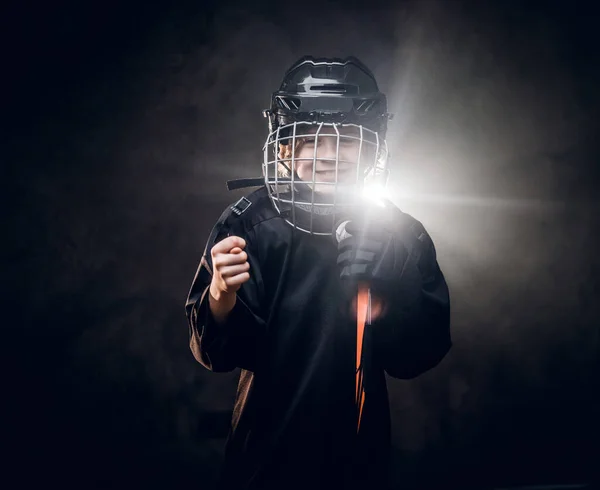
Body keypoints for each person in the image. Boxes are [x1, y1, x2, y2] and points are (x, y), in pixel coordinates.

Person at [185, 56, 451, 490]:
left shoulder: (399, 233)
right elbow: (218, 355)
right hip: (264, 453)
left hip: (359, 454)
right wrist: (220, 295)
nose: (329, 156)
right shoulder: (250, 226)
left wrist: (395, 287)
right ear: (285, 146)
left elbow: (418, 356)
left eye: (347, 139)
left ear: (372, 146)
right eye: (311, 139)